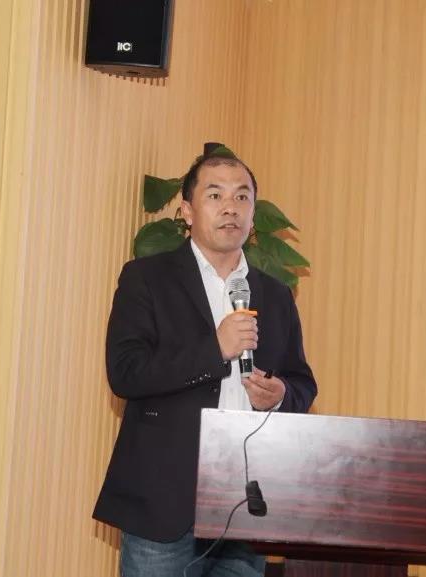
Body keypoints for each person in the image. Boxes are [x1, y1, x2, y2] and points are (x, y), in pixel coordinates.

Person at [93, 152, 318, 577]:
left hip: (246, 504)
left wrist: (281, 394)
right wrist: (214, 349)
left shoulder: (275, 295)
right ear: (187, 210)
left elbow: (302, 382)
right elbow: (125, 372)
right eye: (215, 195)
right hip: (164, 502)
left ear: (253, 213)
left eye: (242, 197)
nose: (230, 207)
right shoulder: (147, 278)